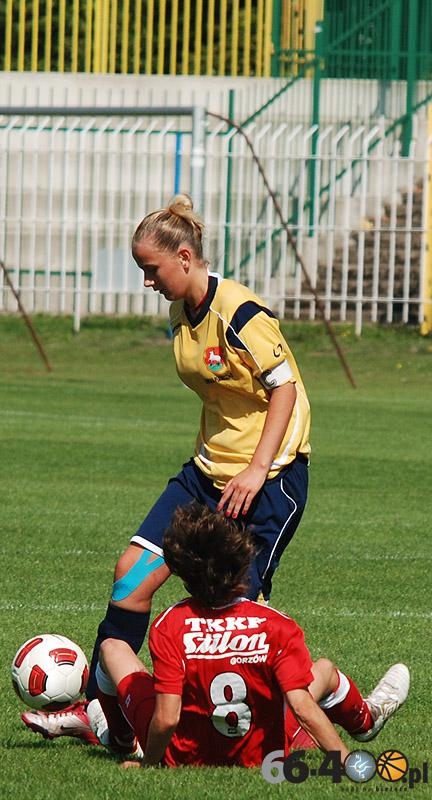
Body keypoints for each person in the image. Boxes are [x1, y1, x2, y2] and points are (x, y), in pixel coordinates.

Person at [22, 192, 312, 743]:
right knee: (131, 577)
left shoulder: (241, 312)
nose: (146, 281)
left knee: (234, 621)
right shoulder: (181, 309)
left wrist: (256, 469)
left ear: (184, 257)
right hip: (206, 475)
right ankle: (104, 714)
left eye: (151, 269)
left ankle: (300, 720)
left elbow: (285, 390)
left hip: (268, 481)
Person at [86, 503, 410, 768]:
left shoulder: (170, 623)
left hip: (182, 755)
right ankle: (364, 720)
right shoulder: (276, 624)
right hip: (261, 756)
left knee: (112, 648)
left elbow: (168, 718)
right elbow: (302, 707)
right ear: (243, 566)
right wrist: (346, 763)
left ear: (185, 576)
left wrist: (149, 766)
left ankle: (122, 740)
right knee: (323, 670)